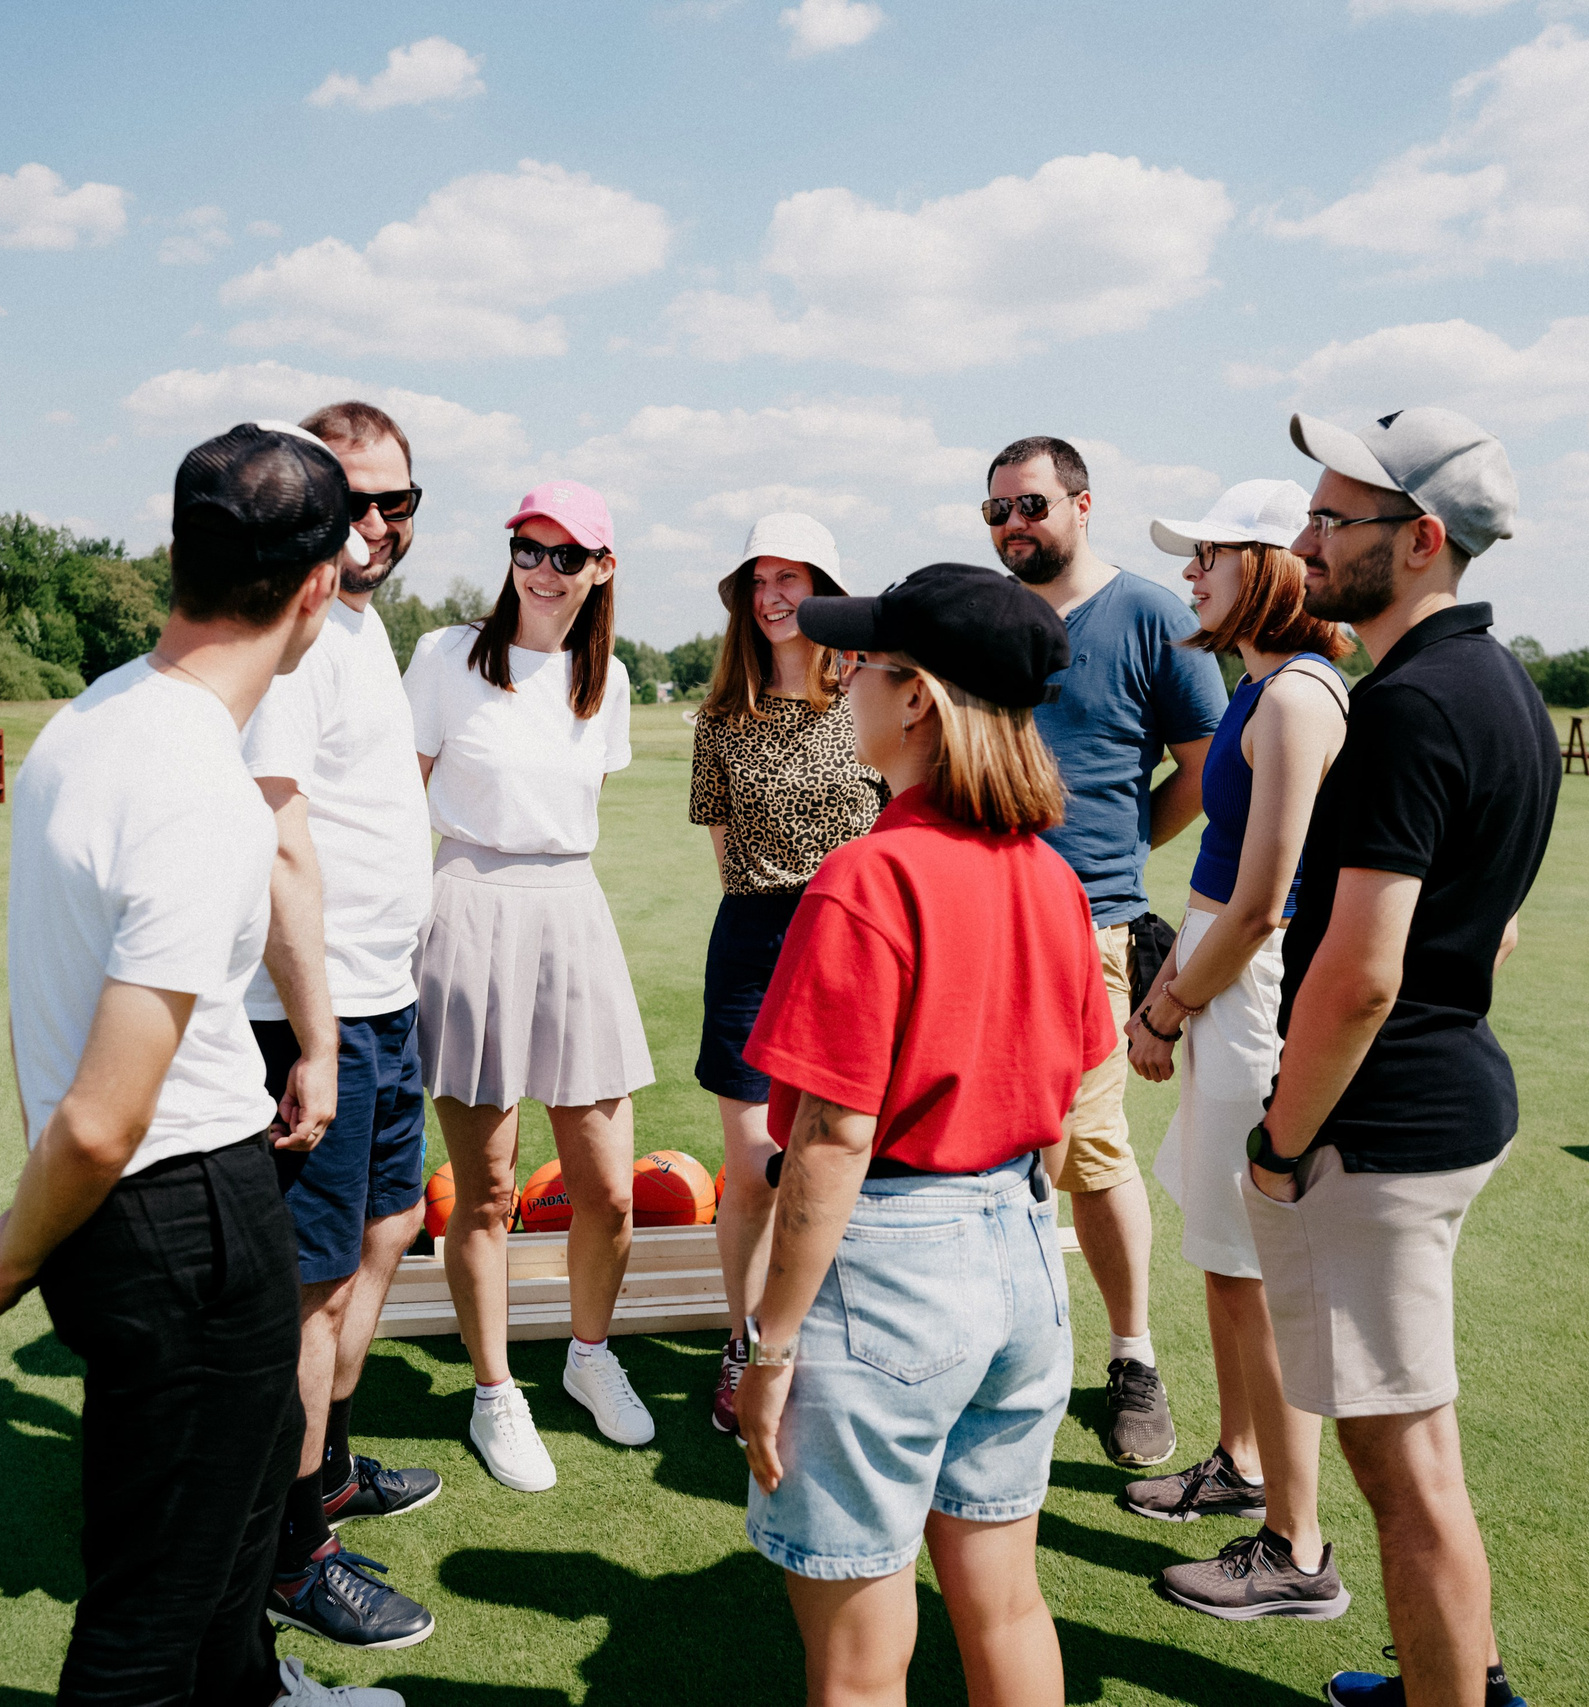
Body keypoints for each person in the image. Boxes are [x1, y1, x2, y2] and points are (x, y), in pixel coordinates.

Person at [0, 422, 400, 1707]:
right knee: (155, 1599)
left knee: (245, 1518)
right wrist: (15, 1251)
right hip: (171, 1212)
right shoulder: (197, 782)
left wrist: (32, 1224)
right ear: (316, 585)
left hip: (177, 1205)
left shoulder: (89, 720)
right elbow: (100, 1119)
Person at [734, 563, 1112, 1707]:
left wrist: (768, 1344)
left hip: (892, 1268)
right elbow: (1064, 1101)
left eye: (864, 663)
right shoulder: (1054, 878)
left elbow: (832, 1141)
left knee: (857, 1667)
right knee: (1003, 1603)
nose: (841, 680)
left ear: (916, 701)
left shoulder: (868, 876)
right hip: (1020, 1258)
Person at [1247, 408, 1551, 1707]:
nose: (1306, 538)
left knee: (1404, 1473)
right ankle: (1462, 1680)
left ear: (1421, 540)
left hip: (1374, 1138)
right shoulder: (1504, 685)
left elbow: (1361, 973)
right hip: (1449, 1102)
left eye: (1334, 518)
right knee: (1423, 1443)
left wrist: (1278, 1141)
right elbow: (1499, 929)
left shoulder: (1411, 705)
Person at [1112, 480, 1357, 1624]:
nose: (1192, 573)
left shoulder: (1299, 697)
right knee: (1222, 1254)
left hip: (1251, 995)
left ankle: (1294, 1549)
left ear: (1269, 568)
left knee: (1256, 1266)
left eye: (1211, 553)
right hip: (1219, 980)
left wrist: (1165, 1011)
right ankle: (1243, 1466)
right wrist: (1168, 989)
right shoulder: (1258, 690)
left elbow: (1262, 905)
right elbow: (1217, 889)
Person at [404, 479, 656, 1492]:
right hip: (466, 909)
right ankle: (494, 1392)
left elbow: (573, 804)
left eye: (566, 555)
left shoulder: (612, 679)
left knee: (608, 1188)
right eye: (527, 549)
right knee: (492, 1189)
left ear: (602, 569)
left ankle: (590, 1360)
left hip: (571, 916)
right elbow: (398, 800)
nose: (543, 572)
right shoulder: (441, 657)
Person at [985, 434, 1227, 1468]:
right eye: (996, 510)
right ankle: (1001, 1356)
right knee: (987, 1146)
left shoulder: (1152, 615)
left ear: (1084, 506)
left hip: (1089, 926)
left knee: (1088, 1149)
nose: (1012, 526)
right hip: (982, 922)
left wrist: (1125, 850)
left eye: (1031, 505)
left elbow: (1209, 767)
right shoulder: (990, 622)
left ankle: (1131, 1357)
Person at [243, 402, 442, 1652]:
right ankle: (284, 1551)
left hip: (382, 997)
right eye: (352, 502)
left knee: (390, 1230)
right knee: (309, 1300)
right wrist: (313, 1037)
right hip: (309, 1016)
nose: (377, 526)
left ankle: (325, 1470)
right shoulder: (296, 632)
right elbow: (273, 833)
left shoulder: (361, 625)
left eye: (399, 504)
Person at [686, 511, 887, 1437]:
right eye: (759, 581)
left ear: (825, 591)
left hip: (853, 942)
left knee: (842, 1156)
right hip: (756, 943)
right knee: (756, 1167)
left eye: (791, 578)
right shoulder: (722, 716)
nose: (772, 596)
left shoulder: (875, 698)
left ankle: (823, 1335)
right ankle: (745, 1336)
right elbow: (728, 858)